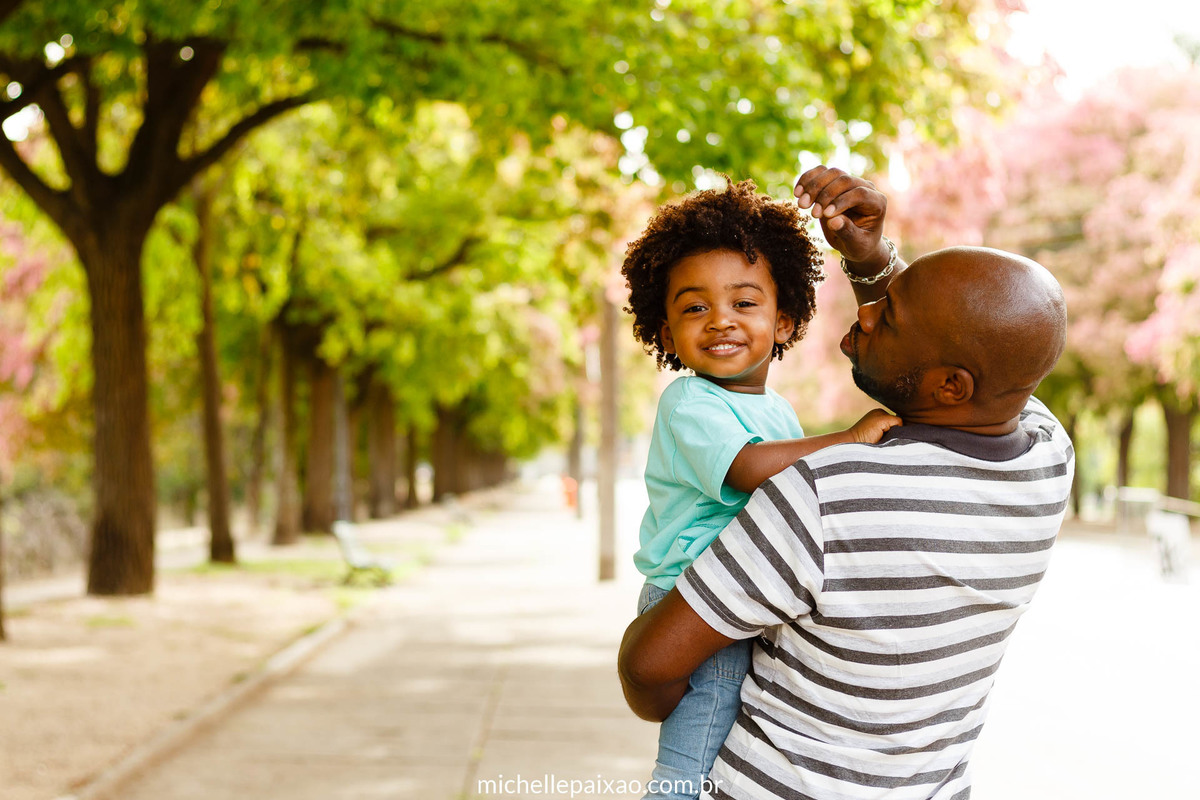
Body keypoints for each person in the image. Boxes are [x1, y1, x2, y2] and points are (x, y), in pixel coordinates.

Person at [618, 166, 1074, 800]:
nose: (864, 314)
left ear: (950, 386)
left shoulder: (829, 496)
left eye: (890, 317)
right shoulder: (1047, 459)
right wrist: (872, 259)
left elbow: (647, 668)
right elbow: (992, 350)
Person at [621, 178, 901, 800]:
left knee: (734, 742)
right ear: (666, 334)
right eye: (694, 308)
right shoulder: (690, 401)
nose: (720, 320)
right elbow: (749, 469)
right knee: (692, 760)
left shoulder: (777, 411)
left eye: (744, 303)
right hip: (692, 599)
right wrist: (849, 439)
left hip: (737, 595)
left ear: (784, 321)